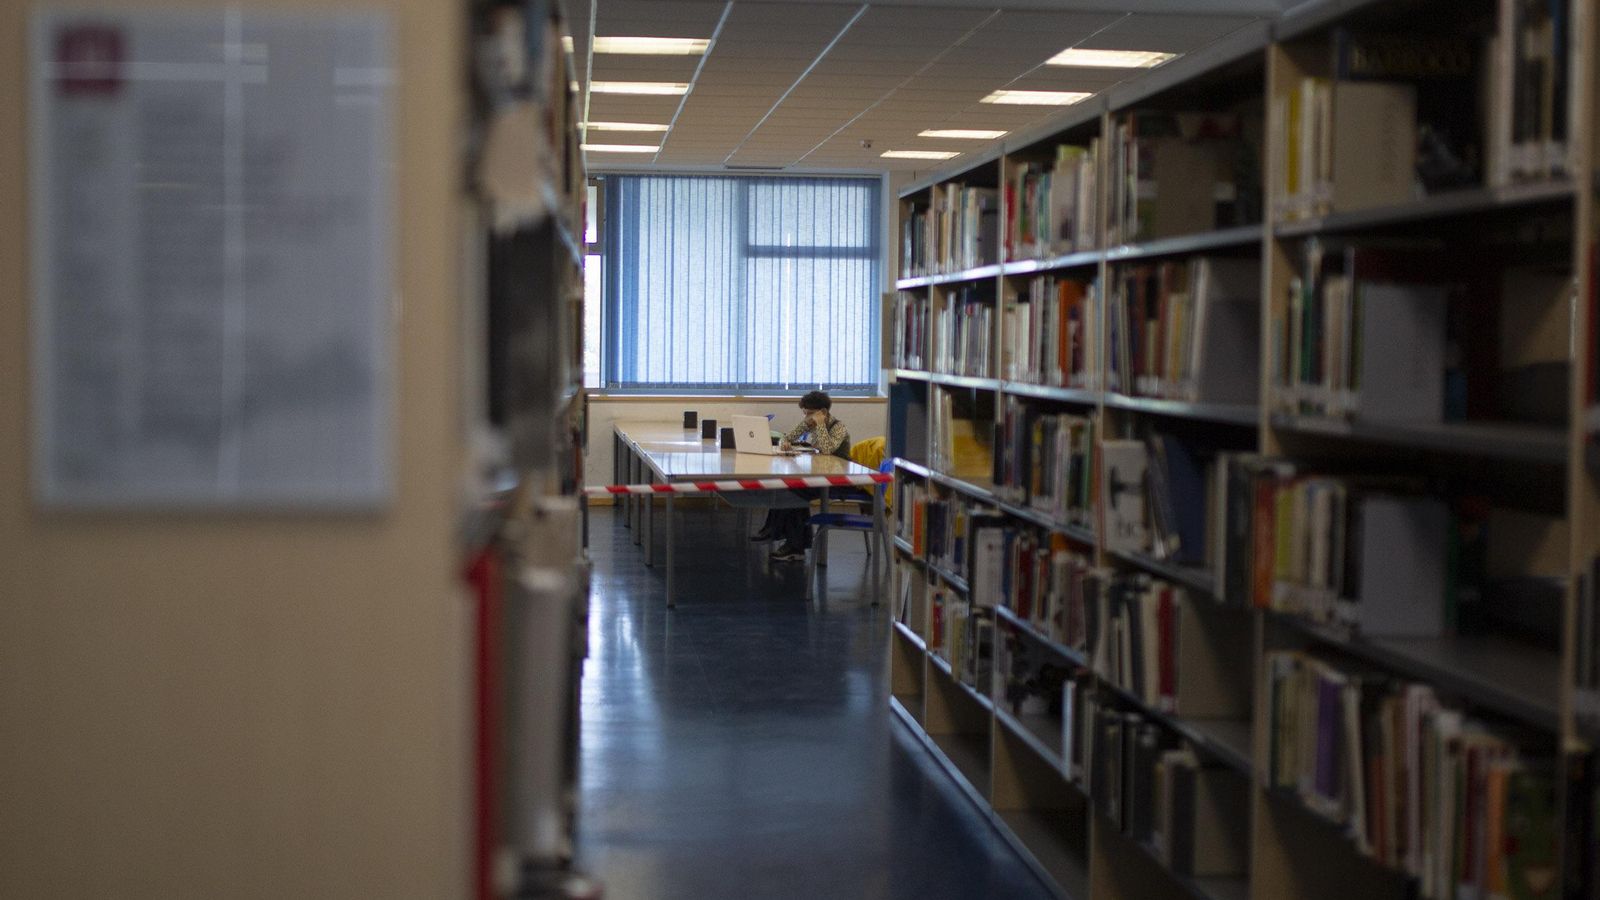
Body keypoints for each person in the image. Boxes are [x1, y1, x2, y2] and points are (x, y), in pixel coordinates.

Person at [753, 390, 849, 561]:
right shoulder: (809, 422)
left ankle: (789, 541)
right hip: (819, 475)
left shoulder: (838, 427)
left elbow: (827, 449)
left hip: (837, 480)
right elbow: (787, 437)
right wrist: (785, 443)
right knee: (787, 487)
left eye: (810, 413)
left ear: (823, 412)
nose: (807, 418)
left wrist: (820, 424)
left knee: (793, 492)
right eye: (805, 413)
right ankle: (784, 538)